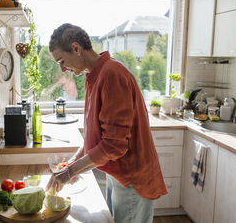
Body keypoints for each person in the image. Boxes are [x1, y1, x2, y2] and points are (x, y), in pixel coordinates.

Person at [46, 23, 167, 223]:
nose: (62, 68)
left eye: (61, 61)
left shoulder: (112, 75)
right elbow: (98, 134)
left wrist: (70, 171)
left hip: (132, 178)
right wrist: (74, 162)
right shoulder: (93, 75)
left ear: (76, 48)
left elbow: (114, 145)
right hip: (118, 174)